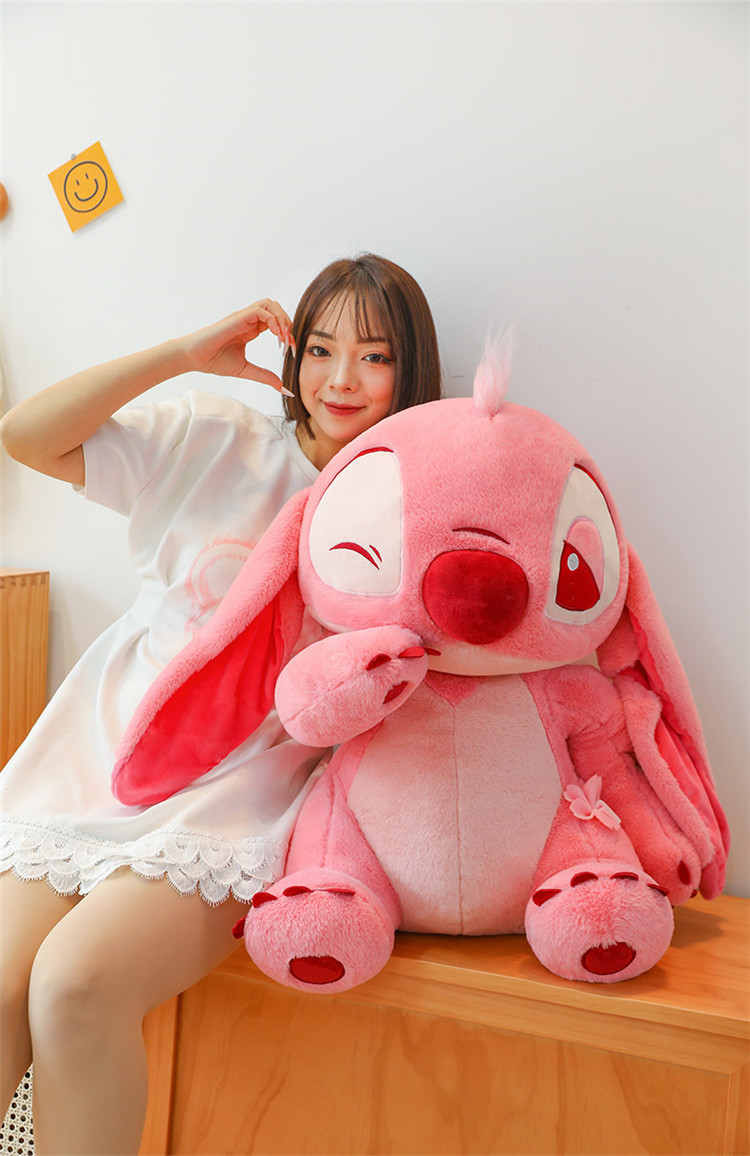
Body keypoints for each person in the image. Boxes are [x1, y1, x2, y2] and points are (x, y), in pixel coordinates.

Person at [0, 253, 441, 1156]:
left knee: (74, 986)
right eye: (320, 350)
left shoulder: (411, 505)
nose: (341, 380)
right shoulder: (216, 437)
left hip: (242, 791)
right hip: (103, 755)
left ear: (412, 370)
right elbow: (25, 436)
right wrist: (181, 355)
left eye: (374, 356)